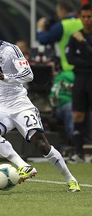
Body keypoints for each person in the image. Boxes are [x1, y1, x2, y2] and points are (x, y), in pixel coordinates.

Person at [0, 19, 80, 192]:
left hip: (20, 104)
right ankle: (23, 166)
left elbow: (28, 75)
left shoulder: (11, 50)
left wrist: (6, 76)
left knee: (41, 144)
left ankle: (70, 179)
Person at [66, 3, 92, 163]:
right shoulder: (74, 36)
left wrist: (83, 43)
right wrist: (87, 60)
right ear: (80, 18)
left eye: (89, 16)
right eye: (84, 17)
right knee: (78, 115)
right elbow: (70, 59)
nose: (87, 20)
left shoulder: (79, 38)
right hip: (80, 79)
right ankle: (78, 152)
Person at [37, 0, 83, 73]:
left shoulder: (62, 26)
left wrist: (40, 28)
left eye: (58, 11)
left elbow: (43, 40)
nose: (57, 14)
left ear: (63, 10)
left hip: (68, 70)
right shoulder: (82, 22)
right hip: (85, 68)